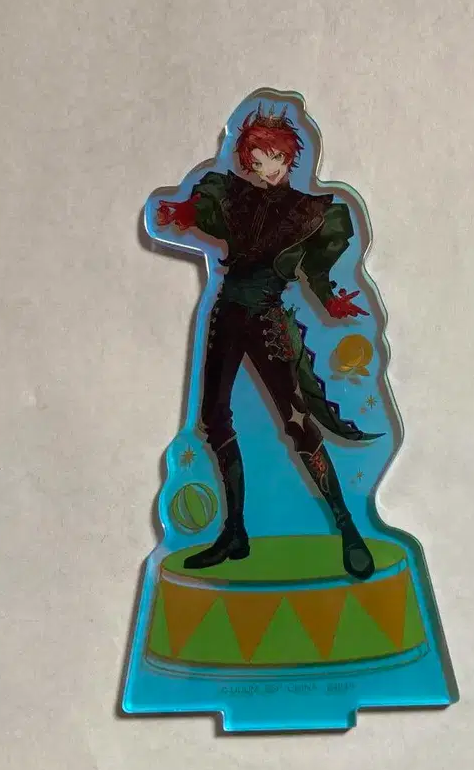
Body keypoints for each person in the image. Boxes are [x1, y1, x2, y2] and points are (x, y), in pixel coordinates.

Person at [156, 104, 380, 580]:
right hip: (227, 313)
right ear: (247, 162)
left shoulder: (309, 211)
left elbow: (315, 271)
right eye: (257, 161)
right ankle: (235, 531)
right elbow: (204, 210)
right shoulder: (233, 195)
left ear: (289, 156)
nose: (266, 168)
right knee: (213, 417)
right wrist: (182, 212)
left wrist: (331, 300)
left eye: (273, 158)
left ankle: (348, 527)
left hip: (267, 320)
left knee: (297, 421)